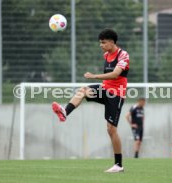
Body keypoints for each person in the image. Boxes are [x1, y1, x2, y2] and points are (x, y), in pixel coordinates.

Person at [52, 29, 129, 173]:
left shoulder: (122, 54)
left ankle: (118, 165)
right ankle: (65, 112)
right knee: (83, 90)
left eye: (103, 42)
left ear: (112, 42)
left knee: (111, 130)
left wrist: (94, 76)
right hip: (104, 90)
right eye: (100, 42)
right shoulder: (106, 55)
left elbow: (115, 74)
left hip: (116, 95)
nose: (101, 45)